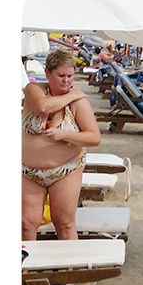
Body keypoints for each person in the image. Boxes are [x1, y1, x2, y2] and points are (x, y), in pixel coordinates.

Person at [22, 49, 101, 240]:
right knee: (26, 223)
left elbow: (94, 137)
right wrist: (72, 95)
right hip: (29, 171)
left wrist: (63, 134)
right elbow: (43, 107)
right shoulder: (34, 90)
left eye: (70, 76)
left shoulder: (79, 103)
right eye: (61, 76)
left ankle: (70, 260)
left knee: (64, 223)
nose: (66, 81)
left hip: (66, 170)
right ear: (47, 73)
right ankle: (25, 260)